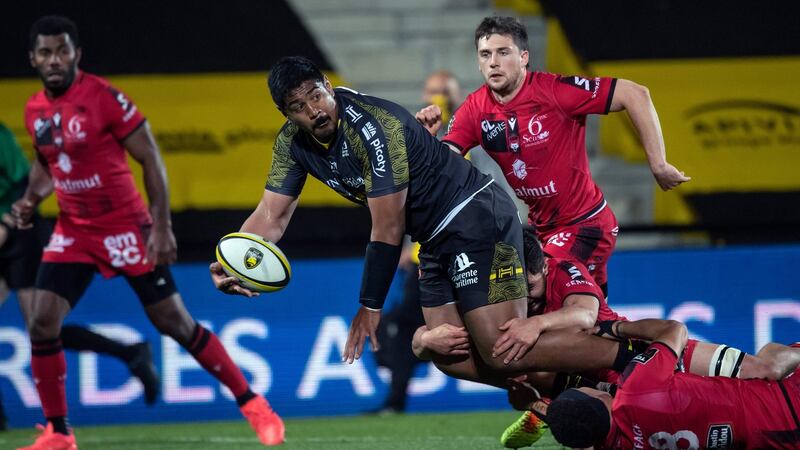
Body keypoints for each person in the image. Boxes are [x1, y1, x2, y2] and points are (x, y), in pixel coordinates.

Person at [209, 56, 636, 393]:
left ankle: (632, 362)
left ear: (327, 85)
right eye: (297, 107)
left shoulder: (374, 128)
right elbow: (271, 215)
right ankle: (583, 388)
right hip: (433, 238)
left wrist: (369, 306)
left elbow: (388, 229)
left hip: (474, 215)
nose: (313, 110)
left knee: (502, 348)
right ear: (285, 114)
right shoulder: (291, 144)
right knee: (448, 353)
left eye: (315, 95)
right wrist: (235, 258)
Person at [12, 16, 284, 449]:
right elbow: (50, 161)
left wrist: (161, 227)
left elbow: (151, 158)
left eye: (63, 50)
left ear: (76, 54)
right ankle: (59, 433)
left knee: (174, 323)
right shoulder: (34, 110)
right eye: (45, 53)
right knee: (42, 323)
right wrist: (30, 198)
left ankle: (254, 405)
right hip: (75, 231)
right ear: (33, 59)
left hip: (125, 227)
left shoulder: (103, 97)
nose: (55, 59)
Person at [416, 228, 799, 448]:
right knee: (513, 369)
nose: (528, 298)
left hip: (636, 356)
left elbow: (583, 316)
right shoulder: (500, 289)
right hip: (599, 388)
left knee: (764, 369)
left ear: (543, 267)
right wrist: (423, 342)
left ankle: (543, 411)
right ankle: (542, 409)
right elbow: (438, 341)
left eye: (532, 286)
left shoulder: (563, 268)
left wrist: (538, 324)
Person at [415, 16, 690, 300]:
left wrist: (658, 164)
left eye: (503, 52)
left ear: (524, 57)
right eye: (486, 54)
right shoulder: (475, 109)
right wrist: (426, 142)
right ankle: (657, 342)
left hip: (585, 223)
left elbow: (635, 93)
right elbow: (444, 163)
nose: (493, 62)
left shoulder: (556, 91)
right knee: (593, 325)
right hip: (541, 229)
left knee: (535, 296)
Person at [0, 122, 160, 431]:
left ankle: (130, 353)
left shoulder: (1, 136)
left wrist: (6, 224)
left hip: (22, 236)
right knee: (41, 329)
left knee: (41, 328)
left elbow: (25, 185)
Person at [543, 318, 800, 449]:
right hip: (781, 402)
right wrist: (619, 328)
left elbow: (576, 430)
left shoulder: (611, 443)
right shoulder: (635, 390)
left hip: (776, 441)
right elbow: (676, 331)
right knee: (772, 361)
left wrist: (534, 402)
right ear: (597, 398)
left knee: (770, 361)